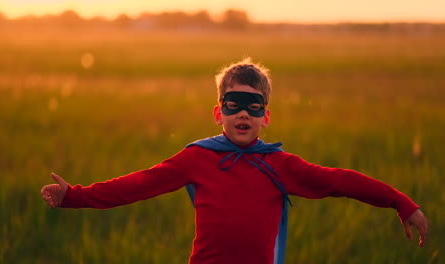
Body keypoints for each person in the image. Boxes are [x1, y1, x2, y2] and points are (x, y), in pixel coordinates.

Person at [41, 57, 428, 264]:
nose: (243, 114)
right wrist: (73, 195)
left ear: (266, 116)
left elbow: (340, 181)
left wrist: (400, 201)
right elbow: (139, 184)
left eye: (253, 106)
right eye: (234, 105)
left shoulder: (280, 165)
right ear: (218, 113)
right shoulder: (198, 157)